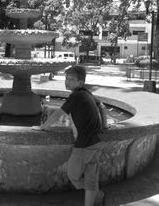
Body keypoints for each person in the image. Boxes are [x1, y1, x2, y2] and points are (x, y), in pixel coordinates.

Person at [33, 65, 108, 206]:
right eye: (66, 79)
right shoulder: (87, 93)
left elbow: (58, 113)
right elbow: (102, 107)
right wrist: (105, 125)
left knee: (72, 174)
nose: (67, 82)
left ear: (80, 83)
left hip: (85, 144)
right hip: (97, 142)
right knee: (91, 178)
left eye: (71, 80)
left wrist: (43, 127)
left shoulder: (76, 95)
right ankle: (97, 196)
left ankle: (96, 193)